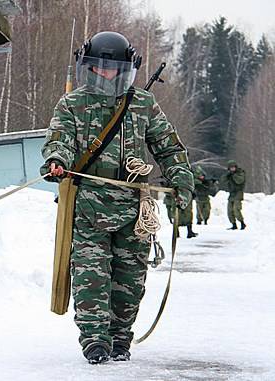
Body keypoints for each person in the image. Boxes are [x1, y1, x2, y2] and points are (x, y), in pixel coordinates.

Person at [40, 31, 194, 364]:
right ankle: (95, 339)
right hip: (89, 206)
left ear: (126, 69)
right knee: (90, 276)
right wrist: (58, 160)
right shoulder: (72, 104)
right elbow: (59, 139)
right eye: (99, 68)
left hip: (134, 207)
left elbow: (168, 146)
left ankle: (121, 336)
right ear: (88, 67)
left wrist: (182, 180)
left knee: (129, 278)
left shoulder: (143, 104)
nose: (106, 74)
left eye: (113, 69)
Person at [219, 160, 246, 230]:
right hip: (232, 194)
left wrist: (233, 175)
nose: (232, 169)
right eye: (231, 168)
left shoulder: (240, 173)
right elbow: (222, 180)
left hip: (238, 193)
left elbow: (239, 181)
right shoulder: (229, 174)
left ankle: (242, 223)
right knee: (230, 211)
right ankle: (234, 224)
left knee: (236, 209)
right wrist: (227, 175)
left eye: (233, 167)